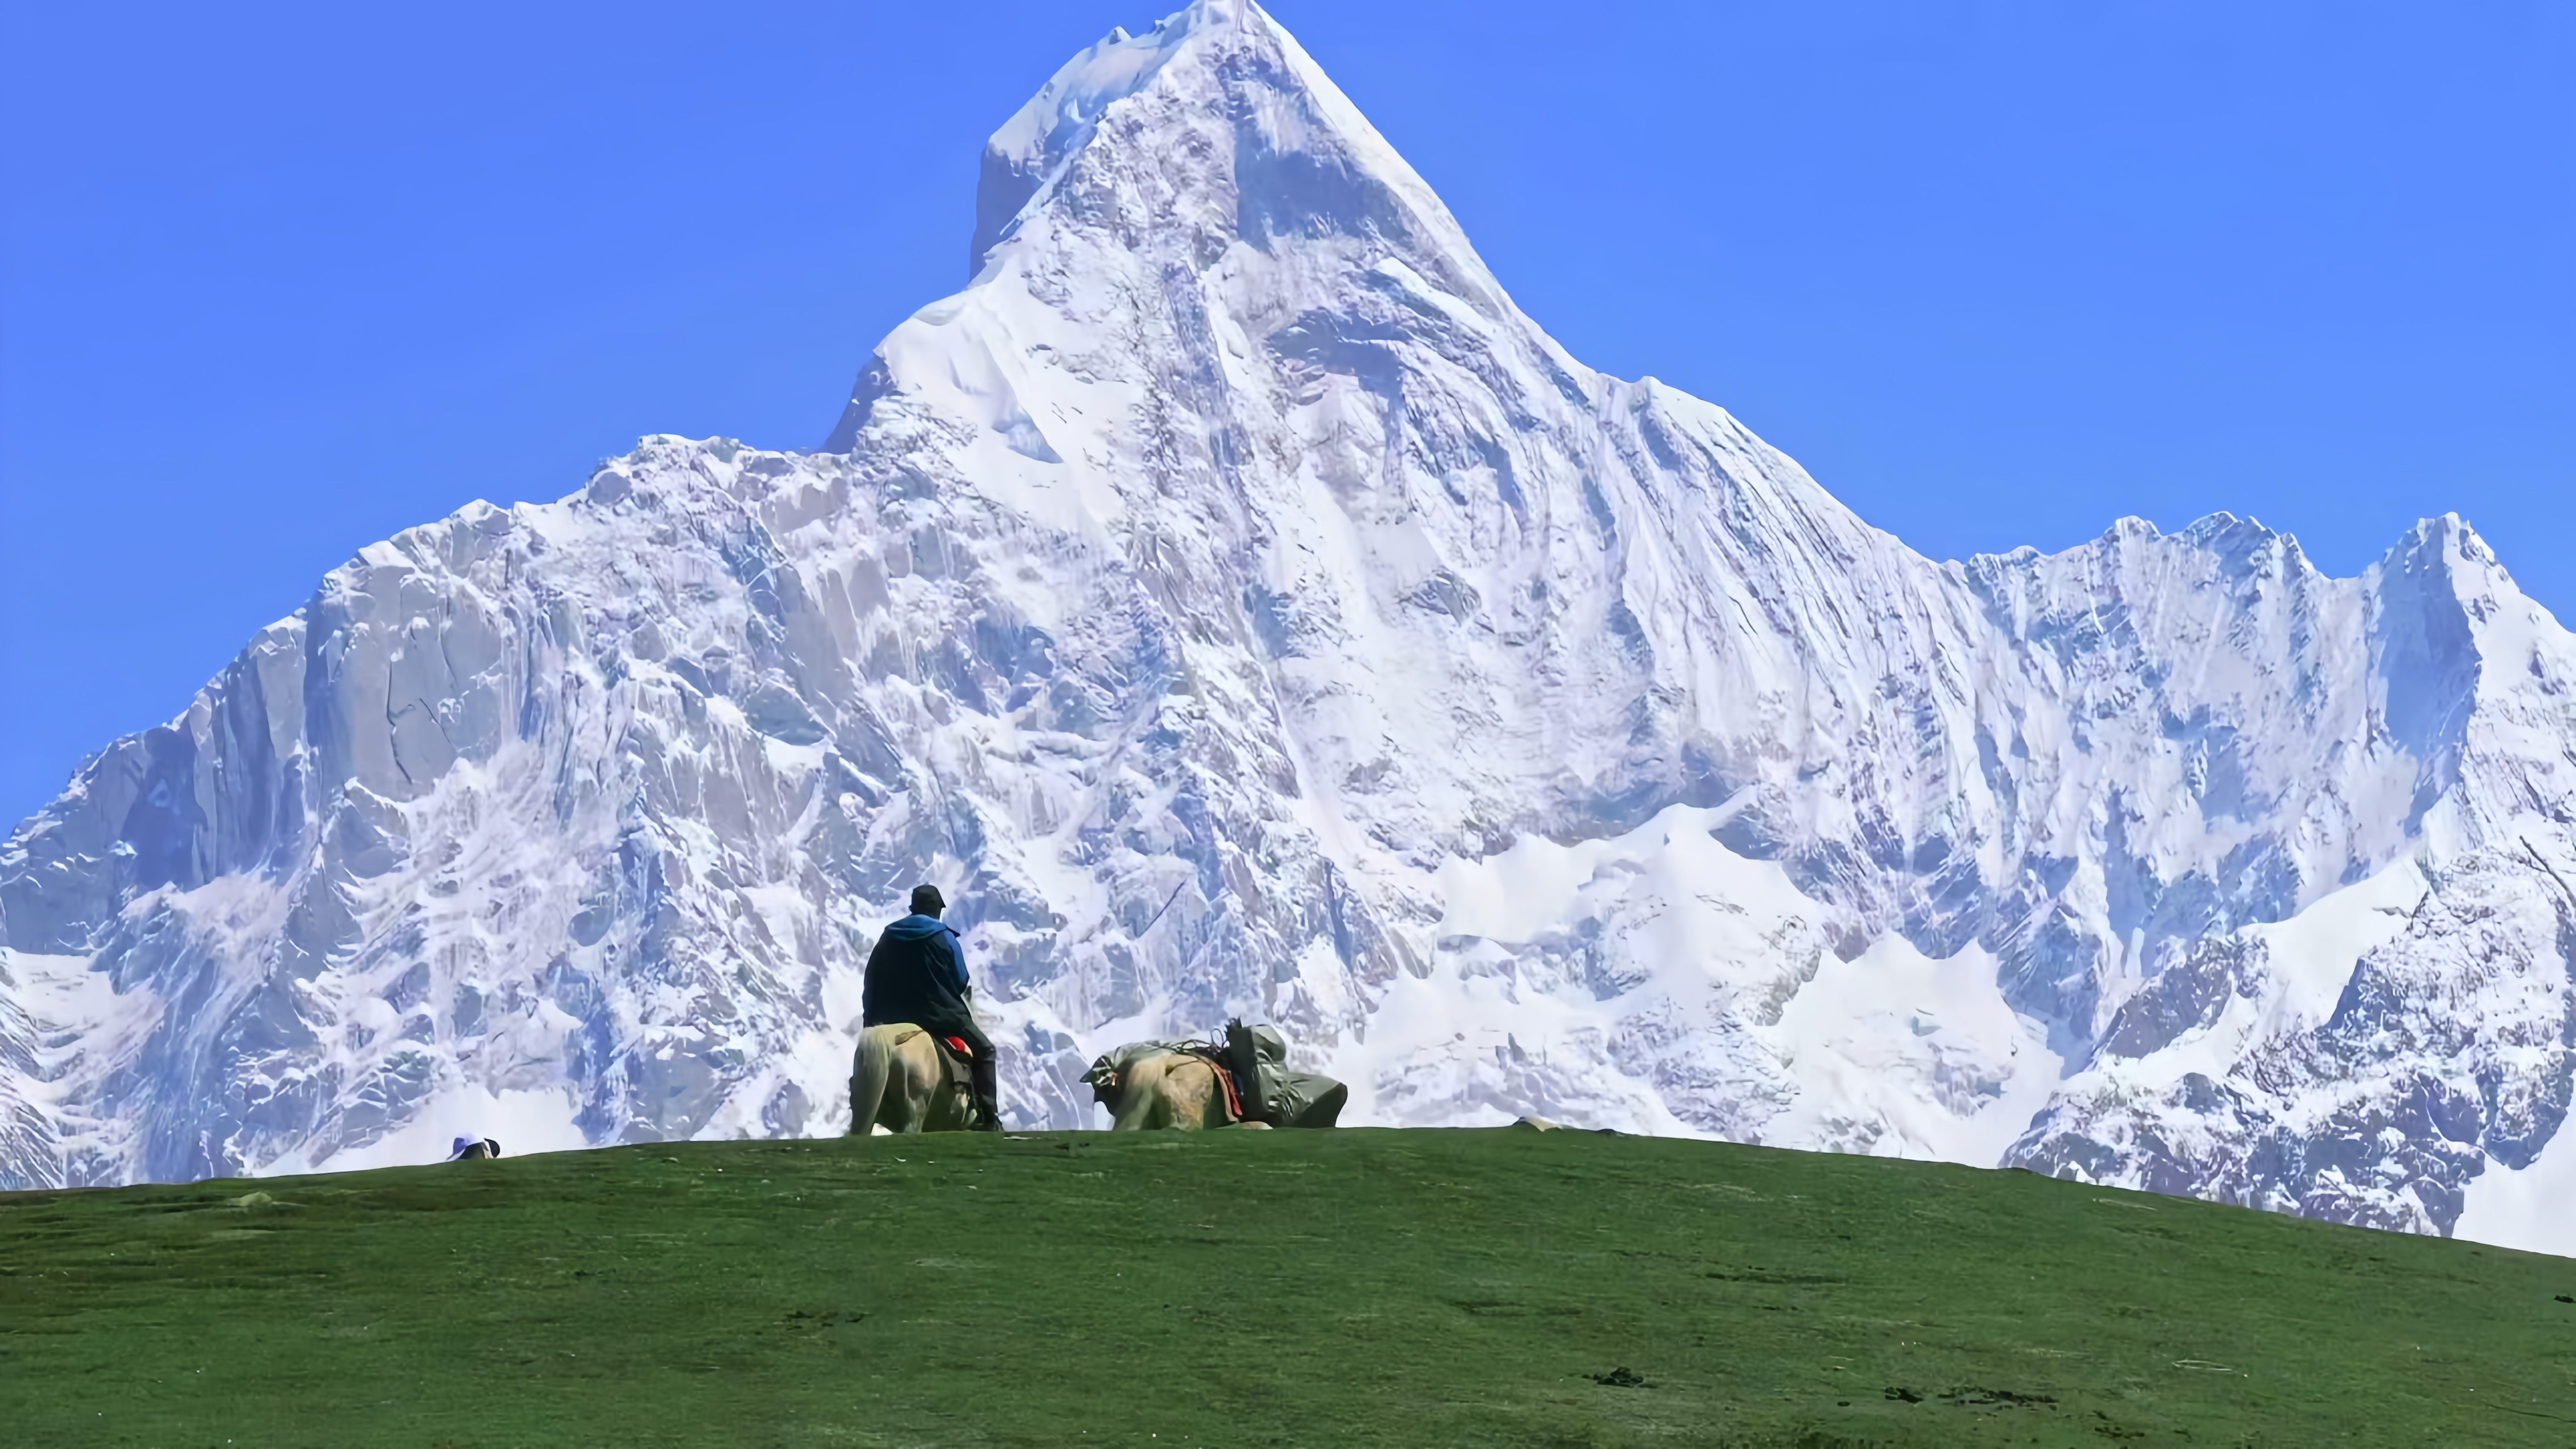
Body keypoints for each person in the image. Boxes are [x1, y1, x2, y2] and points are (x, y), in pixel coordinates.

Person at [861, 884, 1001, 1130]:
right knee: (986, 1051)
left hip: (889, 1018)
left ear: (912, 909)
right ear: (937, 910)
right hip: (940, 1016)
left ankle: (861, 1095)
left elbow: (871, 979)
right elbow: (960, 980)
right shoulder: (944, 936)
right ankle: (989, 1118)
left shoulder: (888, 937)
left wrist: (871, 1019)